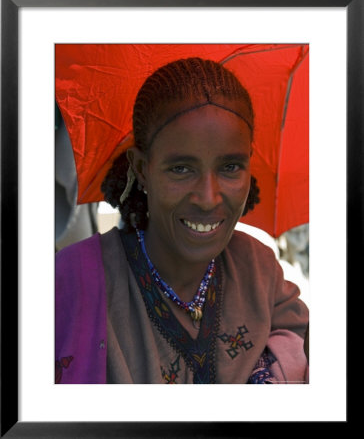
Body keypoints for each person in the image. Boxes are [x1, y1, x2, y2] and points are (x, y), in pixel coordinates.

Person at [56, 57, 309, 384]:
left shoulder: (259, 269)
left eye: (230, 167)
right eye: (181, 168)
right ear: (142, 168)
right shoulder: (70, 281)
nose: (208, 198)